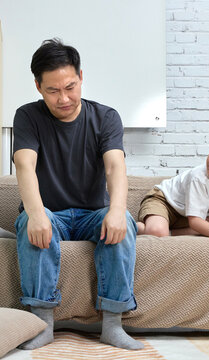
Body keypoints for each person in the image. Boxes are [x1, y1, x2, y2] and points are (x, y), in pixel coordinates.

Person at [12, 38, 143, 350]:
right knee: (28, 224)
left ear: (81, 77)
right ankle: (42, 325)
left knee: (121, 220)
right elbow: (24, 165)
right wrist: (36, 213)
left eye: (70, 87)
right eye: (53, 91)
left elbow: (115, 167)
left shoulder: (106, 117)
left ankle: (112, 325)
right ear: (38, 86)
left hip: (91, 213)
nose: (64, 98)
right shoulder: (27, 116)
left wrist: (116, 209)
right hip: (51, 213)